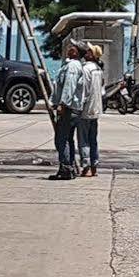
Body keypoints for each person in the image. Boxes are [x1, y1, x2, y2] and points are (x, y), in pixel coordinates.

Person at [50, 41, 90, 180]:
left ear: (76, 52)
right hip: (73, 108)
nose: (69, 48)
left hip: (69, 109)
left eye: (72, 47)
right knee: (68, 139)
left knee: (62, 139)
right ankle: (70, 167)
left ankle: (66, 168)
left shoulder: (73, 66)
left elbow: (69, 86)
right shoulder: (74, 65)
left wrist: (62, 104)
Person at [77, 41, 104, 177]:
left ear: (91, 55)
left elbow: (84, 90)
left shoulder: (86, 69)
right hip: (96, 109)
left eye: (89, 51)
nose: (86, 52)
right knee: (93, 139)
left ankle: (86, 164)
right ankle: (94, 165)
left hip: (86, 109)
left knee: (83, 139)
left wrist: (79, 106)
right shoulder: (98, 70)